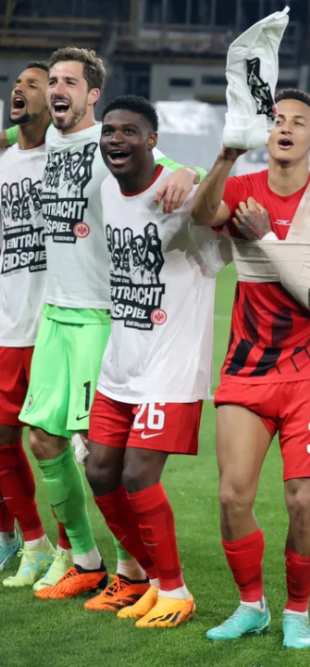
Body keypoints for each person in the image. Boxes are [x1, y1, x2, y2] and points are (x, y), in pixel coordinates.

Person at [6, 47, 203, 602]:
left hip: (100, 316)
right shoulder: (44, 143)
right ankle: (83, 559)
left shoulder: (109, 143)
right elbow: (15, 133)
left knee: (99, 453)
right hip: (54, 315)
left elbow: (172, 168)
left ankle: (132, 570)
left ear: (93, 94)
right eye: (53, 80)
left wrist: (187, 170)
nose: (58, 89)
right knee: (44, 440)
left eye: (70, 81)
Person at [191, 88, 310, 649]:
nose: (285, 127)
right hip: (247, 367)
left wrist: (264, 234)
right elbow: (200, 214)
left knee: (303, 500)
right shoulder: (242, 189)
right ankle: (251, 605)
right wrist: (227, 155)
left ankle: (297, 612)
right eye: (277, 119)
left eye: (298, 122)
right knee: (231, 496)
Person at [81, 95, 224, 627]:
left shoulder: (181, 195)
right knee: (100, 471)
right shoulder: (106, 190)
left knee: (139, 474)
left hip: (172, 367)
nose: (115, 139)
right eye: (109, 131)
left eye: (129, 131)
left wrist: (195, 171)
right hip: (120, 365)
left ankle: (176, 591)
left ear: (152, 141)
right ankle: (148, 578)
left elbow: (222, 210)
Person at [0, 61, 71, 588]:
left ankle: (73, 550)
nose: (18, 89)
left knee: (58, 446)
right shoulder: (4, 161)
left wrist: (184, 171)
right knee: (2, 440)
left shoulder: (70, 155)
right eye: (17, 83)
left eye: (33, 84)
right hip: (8, 323)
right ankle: (32, 542)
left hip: (56, 323)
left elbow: (147, 155)